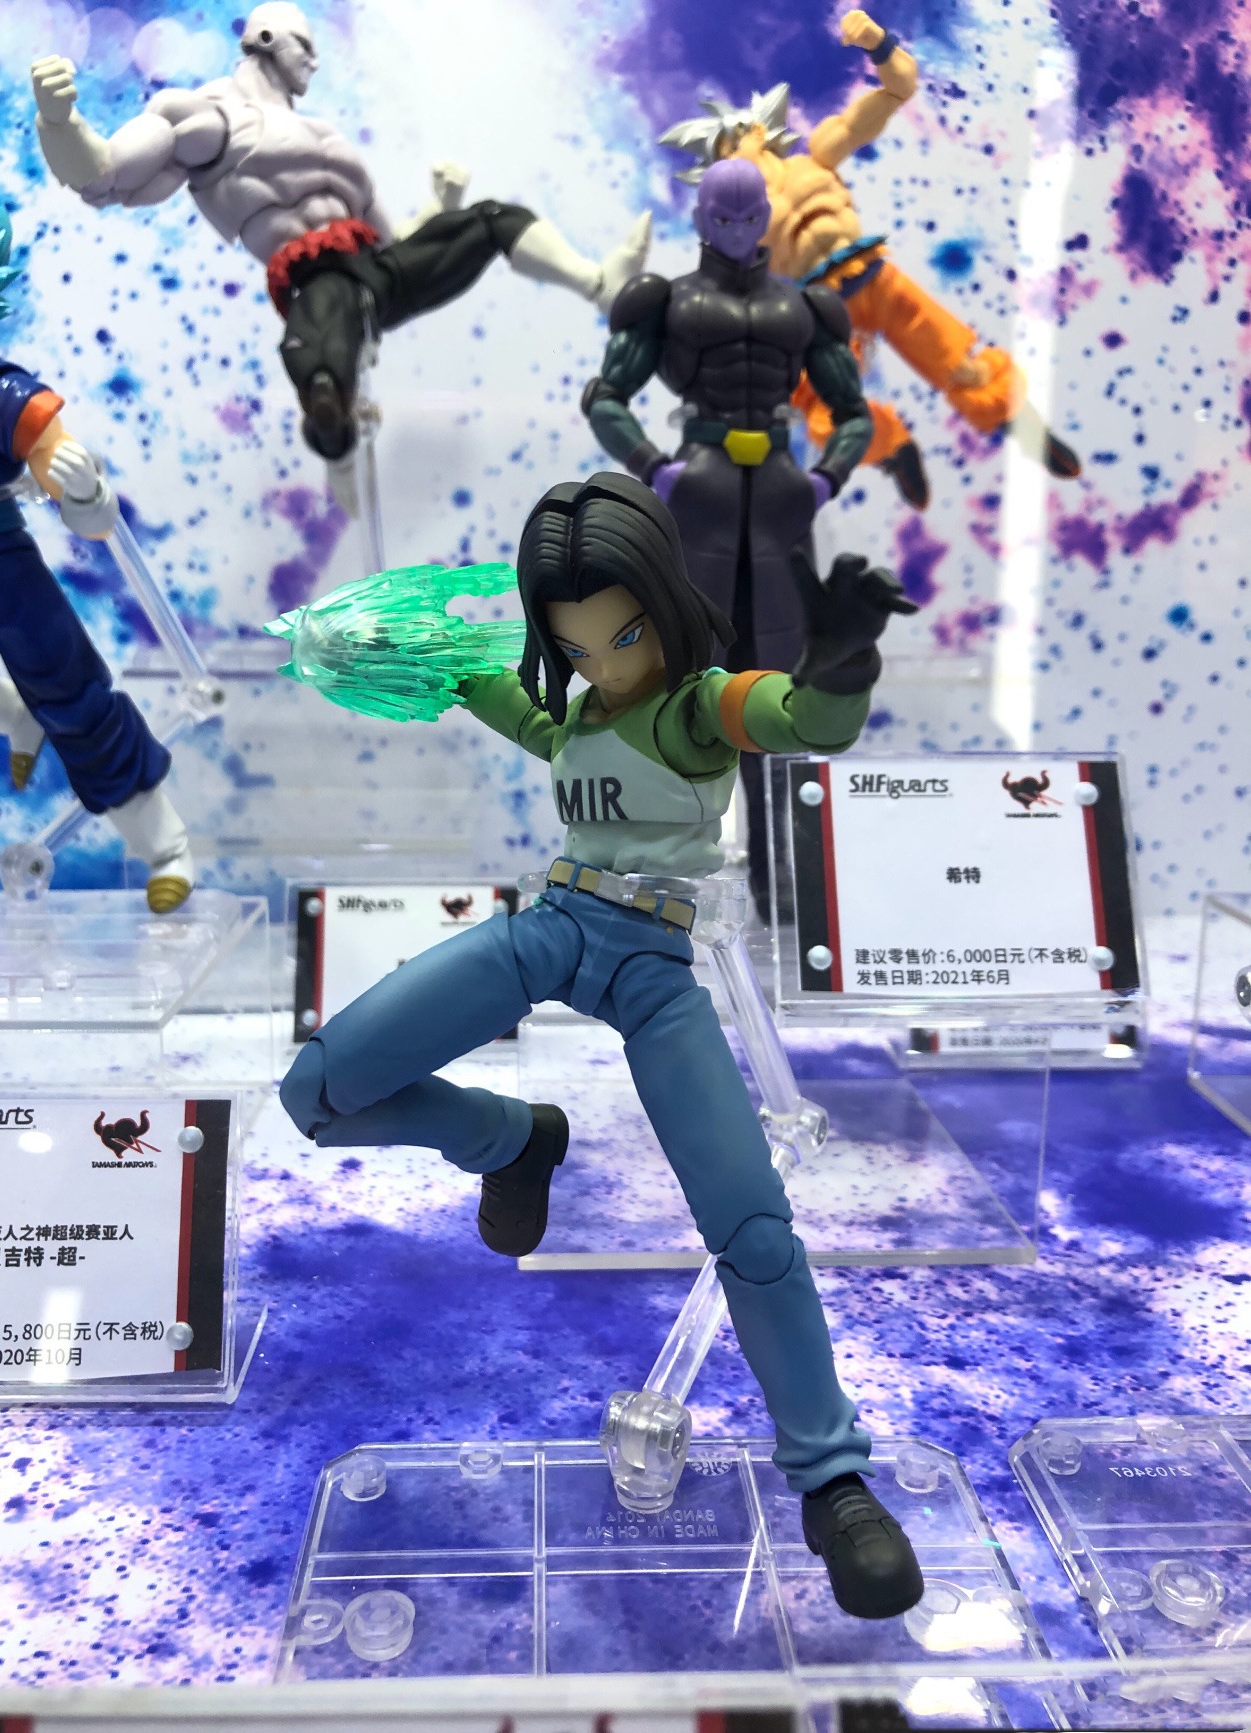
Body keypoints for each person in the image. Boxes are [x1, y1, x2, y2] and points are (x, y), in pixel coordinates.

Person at [276, 471, 924, 1619]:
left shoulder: (695, 705)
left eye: (622, 636)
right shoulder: (575, 710)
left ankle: (833, 1478)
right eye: (575, 646)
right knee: (317, 1090)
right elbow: (500, 697)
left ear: (662, 605)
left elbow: (800, 720)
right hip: (553, 927)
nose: (603, 665)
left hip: (652, 964)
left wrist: (842, 664)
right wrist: (389, 649)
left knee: (751, 1224)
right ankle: (508, 1137)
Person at [30, 4, 649, 498]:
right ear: (267, 39)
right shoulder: (207, 119)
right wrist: (60, 123)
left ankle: (600, 285)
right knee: (327, 348)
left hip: (377, 270)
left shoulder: (327, 136)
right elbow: (103, 176)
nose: (315, 61)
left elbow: (392, 239)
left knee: (490, 220)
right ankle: (336, 440)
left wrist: (443, 206)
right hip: (314, 277)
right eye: (304, 45)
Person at [583, 155, 875, 915]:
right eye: (723, 216)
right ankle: (667, 870)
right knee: (683, 676)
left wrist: (825, 479)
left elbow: (853, 413)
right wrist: (655, 467)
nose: (739, 229)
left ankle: (788, 884)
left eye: (750, 217)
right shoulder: (667, 301)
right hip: (699, 493)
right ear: (700, 218)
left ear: (767, 218)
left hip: (779, 497)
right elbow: (606, 397)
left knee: (786, 676)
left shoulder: (805, 307)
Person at [660, 11, 1081, 509]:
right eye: (719, 155)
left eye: (732, 139)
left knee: (964, 368)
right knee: (828, 415)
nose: (731, 153)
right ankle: (892, 449)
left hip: (879, 281)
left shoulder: (817, 157)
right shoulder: (739, 220)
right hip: (823, 311)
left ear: (758, 129)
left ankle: (1019, 423)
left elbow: (899, 89)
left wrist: (878, 44)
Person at [0, 203, 193, 911]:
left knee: (69, 689)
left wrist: (80, 486)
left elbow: (58, 463)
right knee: (44, 697)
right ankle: (13, 716)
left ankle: (165, 845)